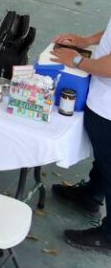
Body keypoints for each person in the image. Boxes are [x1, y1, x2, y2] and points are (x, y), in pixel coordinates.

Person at [46, 15, 111, 253]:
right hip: (103, 100)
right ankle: (92, 195)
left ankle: (108, 236)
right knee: (104, 159)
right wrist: (87, 41)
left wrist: (76, 60)